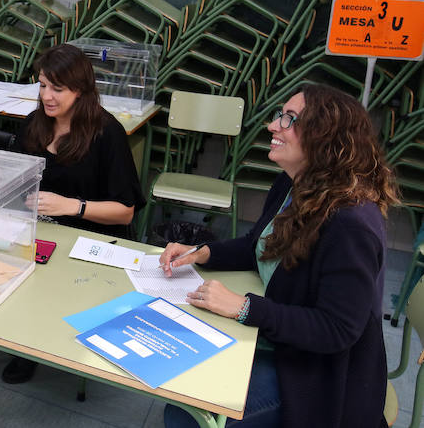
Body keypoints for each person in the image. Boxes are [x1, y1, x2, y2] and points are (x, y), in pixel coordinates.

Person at [160, 84, 398, 428]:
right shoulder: (293, 184)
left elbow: (336, 330)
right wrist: (202, 252)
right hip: (281, 343)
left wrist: (244, 307)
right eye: (279, 116)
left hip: (319, 376)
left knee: (185, 414)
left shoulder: (351, 223)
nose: (273, 126)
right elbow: (259, 244)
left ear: (325, 136)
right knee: (182, 387)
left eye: (290, 119)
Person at [2, 42, 145, 383]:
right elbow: (18, 178)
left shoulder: (106, 132)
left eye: (58, 89)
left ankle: (61, 344)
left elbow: (125, 212)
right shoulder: (36, 123)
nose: (47, 96)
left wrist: (72, 206)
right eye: (42, 85)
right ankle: (26, 345)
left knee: (61, 291)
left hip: (89, 239)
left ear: (80, 90)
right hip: (41, 233)